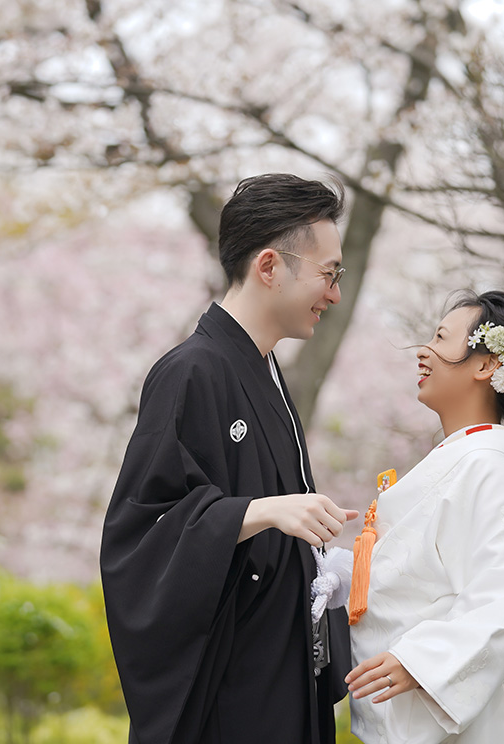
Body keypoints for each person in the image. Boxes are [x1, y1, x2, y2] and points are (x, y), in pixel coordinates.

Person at [100, 173, 360, 744]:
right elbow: (140, 537)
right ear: (269, 266)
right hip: (233, 689)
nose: (335, 293)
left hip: (284, 671)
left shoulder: (264, 371)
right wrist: (258, 513)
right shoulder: (191, 371)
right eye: (328, 274)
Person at [342, 290, 504, 744]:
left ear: (486, 366)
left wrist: (424, 660)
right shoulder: (468, 461)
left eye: (441, 338)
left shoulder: (488, 465)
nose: (424, 351)